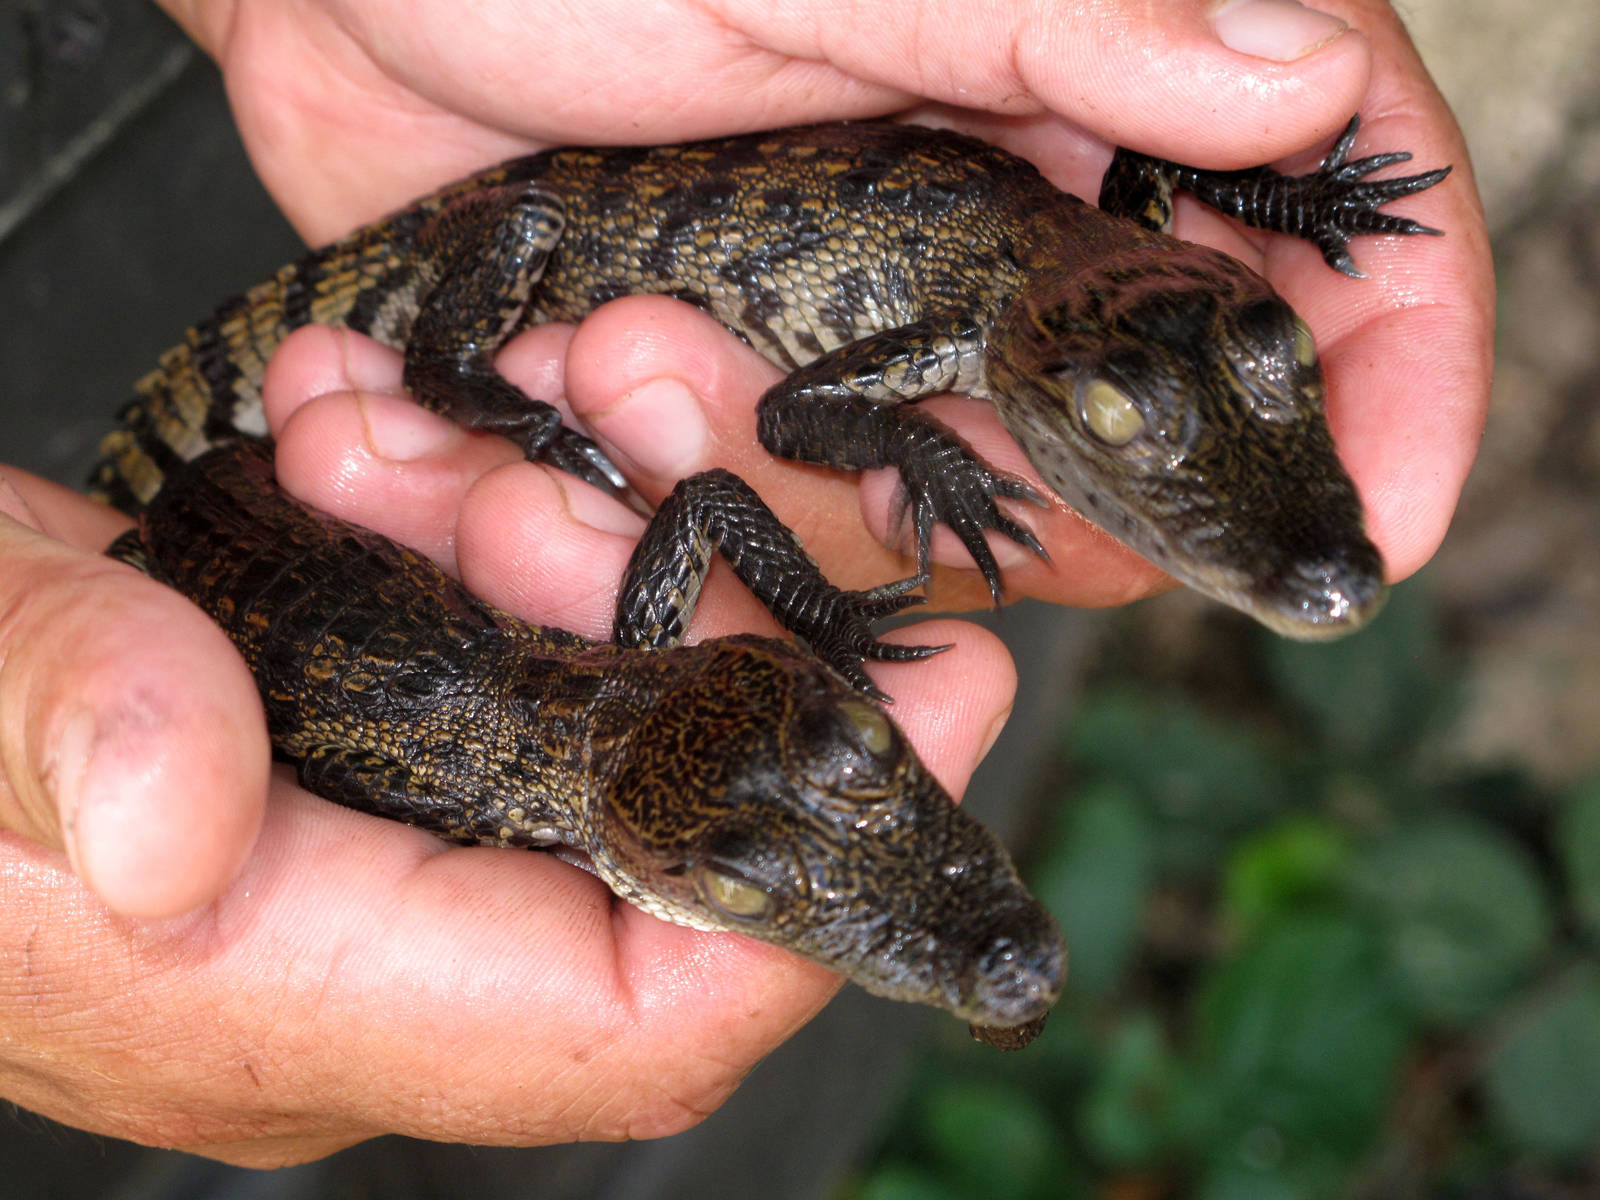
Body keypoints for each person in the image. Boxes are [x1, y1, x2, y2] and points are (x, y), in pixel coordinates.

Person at [0, 0, 1492, 1166]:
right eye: (849, 737)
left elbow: (724, 483)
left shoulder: (617, 677)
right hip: (369, 301)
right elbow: (741, 467)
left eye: (840, 737)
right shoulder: (552, 738)